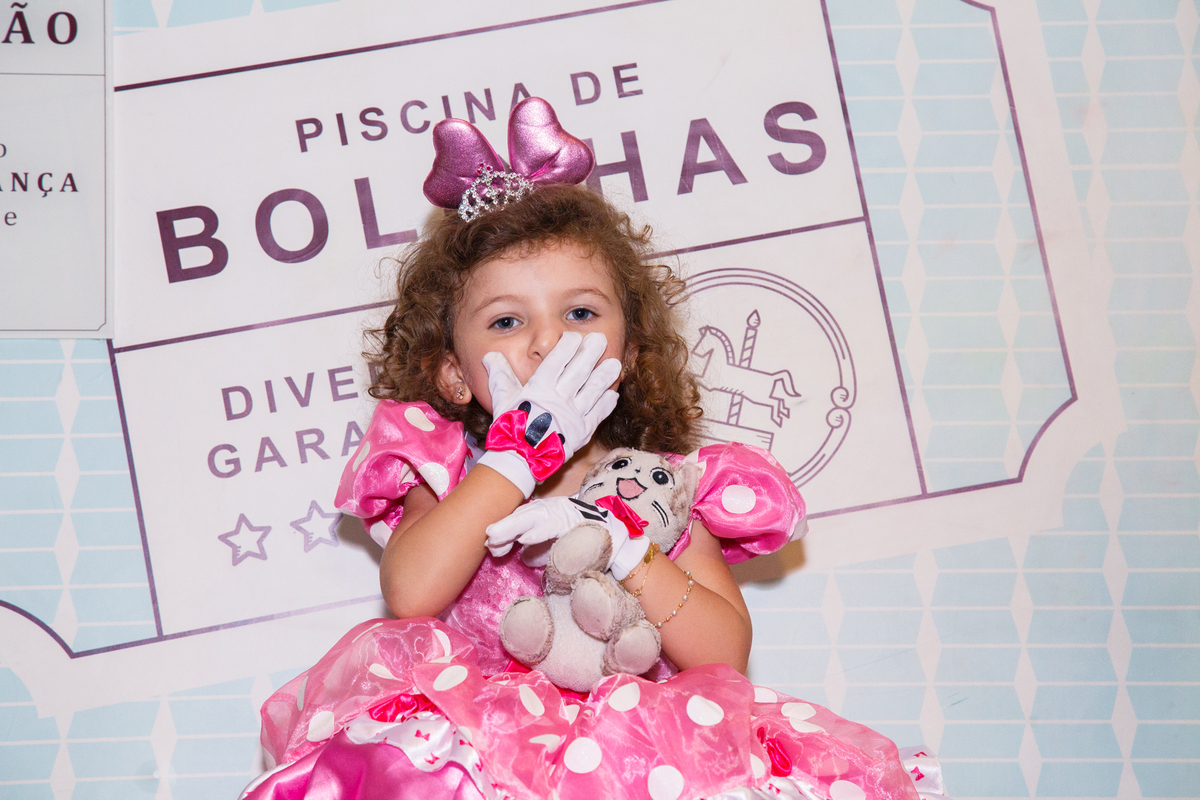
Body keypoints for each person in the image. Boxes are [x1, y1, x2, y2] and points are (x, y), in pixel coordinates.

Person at [241, 99, 941, 800]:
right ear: (453, 371)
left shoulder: (661, 486)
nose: (548, 340)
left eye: (580, 312)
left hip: (641, 760)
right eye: (506, 321)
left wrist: (628, 548)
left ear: (629, 350)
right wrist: (515, 461)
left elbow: (724, 653)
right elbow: (411, 593)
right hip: (485, 756)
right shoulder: (452, 475)